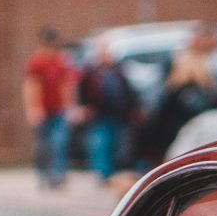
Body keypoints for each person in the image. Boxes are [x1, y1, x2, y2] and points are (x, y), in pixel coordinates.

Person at [134, 42, 217, 171]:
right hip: (200, 142)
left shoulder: (173, 91)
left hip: (175, 142)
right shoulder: (209, 92)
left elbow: (159, 119)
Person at [73, 39, 138, 187]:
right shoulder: (92, 73)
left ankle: (114, 173)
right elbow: (83, 92)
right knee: (101, 145)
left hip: (118, 115)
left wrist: (132, 109)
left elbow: (128, 92)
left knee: (116, 146)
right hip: (100, 116)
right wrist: (84, 107)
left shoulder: (118, 72)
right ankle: (104, 174)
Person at [22, 28, 76, 189]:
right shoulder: (36, 62)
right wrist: (33, 108)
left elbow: (67, 85)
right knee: (43, 146)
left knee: (59, 143)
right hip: (42, 110)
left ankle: (58, 175)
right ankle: (43, 175)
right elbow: (31, 86)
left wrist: (69, 106)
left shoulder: (61, 61)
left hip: (58, 110)